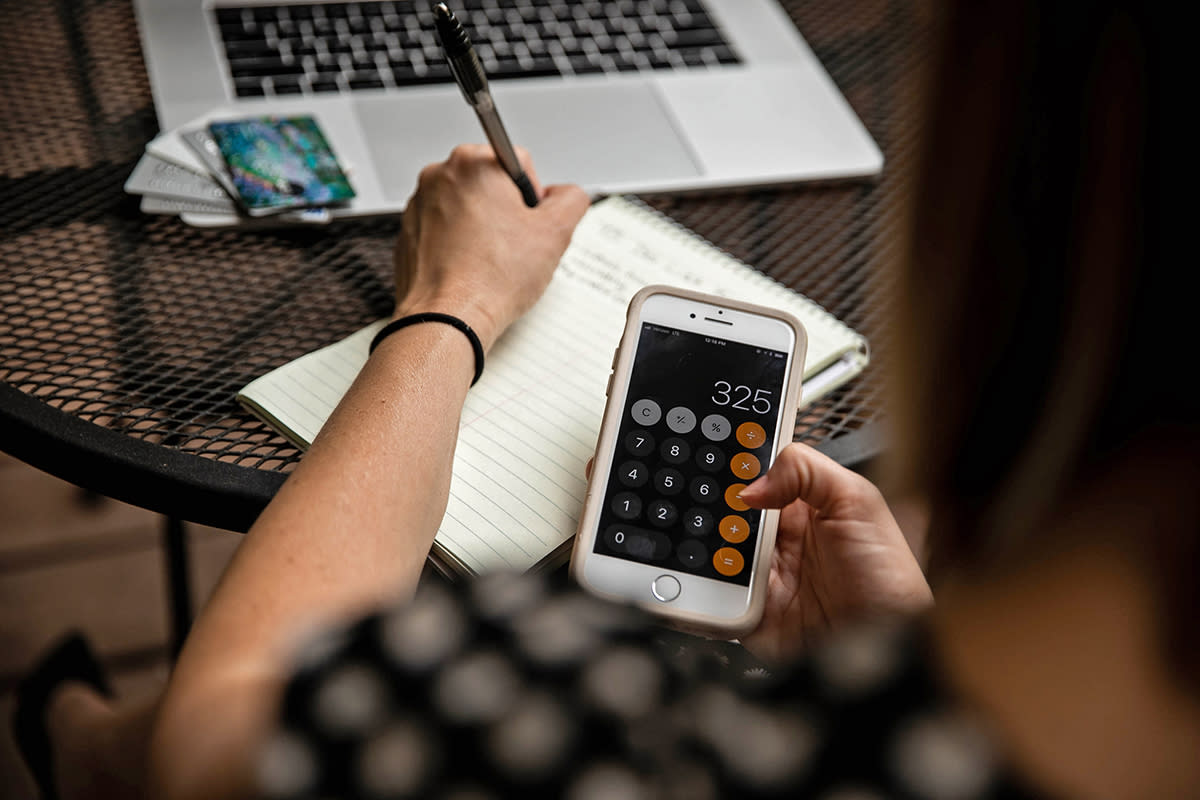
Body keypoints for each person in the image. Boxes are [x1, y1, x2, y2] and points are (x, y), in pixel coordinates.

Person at [14, 2, 1199, 798]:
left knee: (140, 744)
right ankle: (78, 731)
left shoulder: (604, 721)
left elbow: (219, 733)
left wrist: (448, 303)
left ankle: (70, 738)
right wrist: (898, 645)